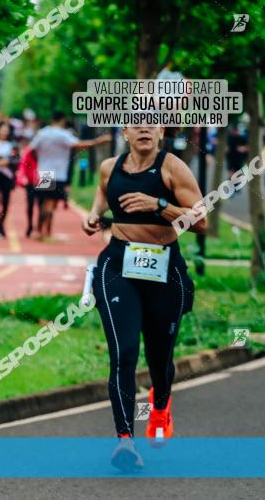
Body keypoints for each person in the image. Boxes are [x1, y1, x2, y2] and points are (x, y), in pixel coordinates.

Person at [81, 125, 205, 472]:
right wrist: (92, 219)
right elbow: (99, 202)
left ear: (161, 130)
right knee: (124, 353)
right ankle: (125, 441)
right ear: (125, 130)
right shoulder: (110, 167)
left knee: (159, 357)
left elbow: (202, 221)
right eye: (137, 122)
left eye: (152, 122)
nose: (145, 128)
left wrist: (160, 205)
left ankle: (161, 403)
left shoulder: (173, 167)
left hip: (164, 269)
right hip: (119, 265)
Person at [30, 111, 110, 240]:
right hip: (59, 173)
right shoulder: (63, 134)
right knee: (51, 204)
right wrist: (98, 141)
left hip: (44, 172)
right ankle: (46, 233)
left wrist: (40, 160)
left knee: (45, 203)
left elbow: (32, 149)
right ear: (62, 120)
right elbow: (79, 145)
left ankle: (39, 230)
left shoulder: (42, 132)